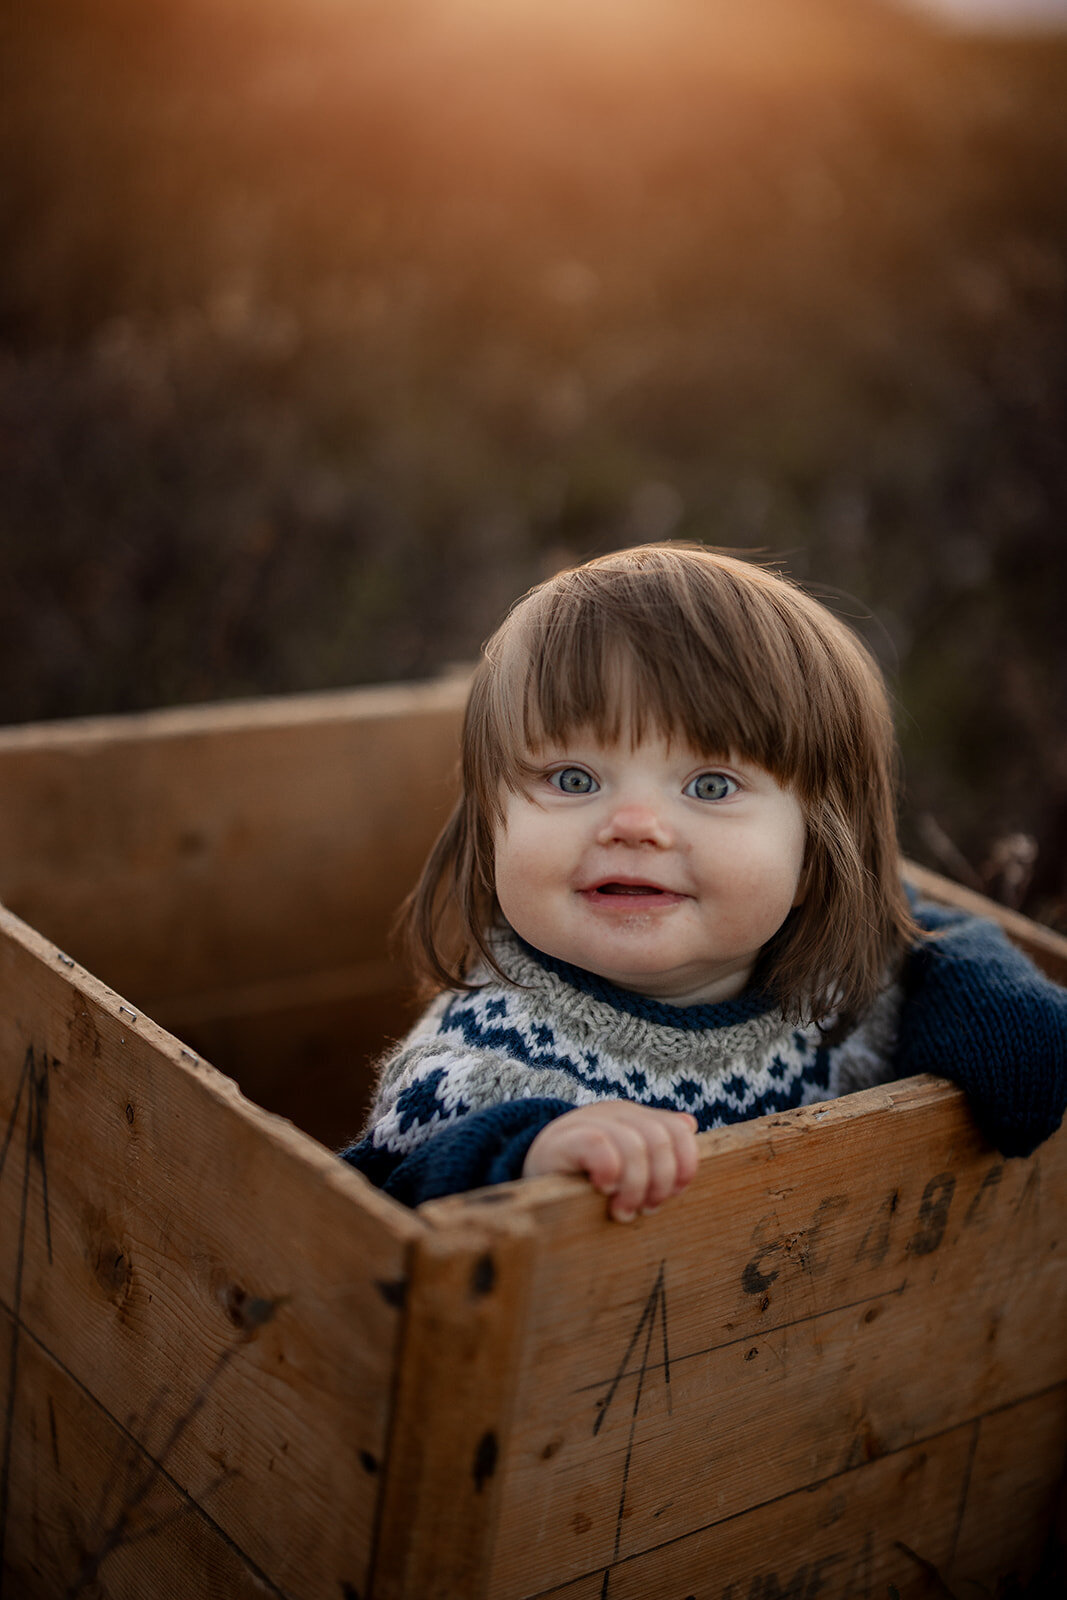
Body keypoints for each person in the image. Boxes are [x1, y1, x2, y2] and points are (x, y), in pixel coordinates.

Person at [341, 544, 1067, 1218]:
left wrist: (989, 991)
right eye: (572, 778)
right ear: (488, 823)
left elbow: (915, 925)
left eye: (711, 785)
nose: (632, 824)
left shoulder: (836, 977)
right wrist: (522, 1153)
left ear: (815, 856)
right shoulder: (478, 1063)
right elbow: (374, 1215)